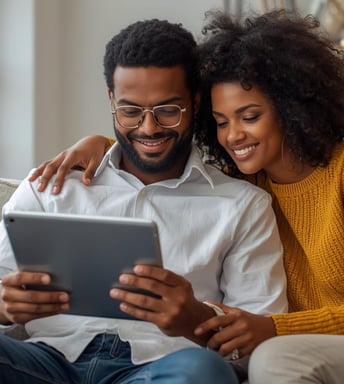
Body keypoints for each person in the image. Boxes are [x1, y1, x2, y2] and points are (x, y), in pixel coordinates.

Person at [31, 10, 344, 384]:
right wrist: (105, 143)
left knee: (275, 361)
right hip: (302, 344)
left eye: (249, 116)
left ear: (292, 108)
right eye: (222, 121)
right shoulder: (249, 182)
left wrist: (274, 328)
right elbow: (154, 155)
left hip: (343, 345)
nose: (233, 136)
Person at [0, 18, 287, 384]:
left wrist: (195, 319)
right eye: (131, 111)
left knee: (204, 372)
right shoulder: (51, 185)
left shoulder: (243, 205)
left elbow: (258, 347)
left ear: (196, 101)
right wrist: (5, 307)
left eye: (168, 110)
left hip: (162, 367)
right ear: (111, 100)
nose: (148, 128)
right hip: (46, 362)